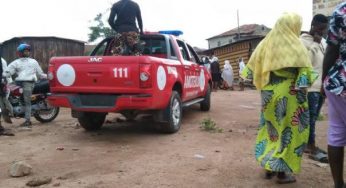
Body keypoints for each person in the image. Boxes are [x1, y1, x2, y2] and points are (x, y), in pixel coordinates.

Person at [241, 13, 318, 184]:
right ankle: (282, 173)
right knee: (289, 131)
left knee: (271, 129)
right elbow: (304, 75)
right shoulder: (295, 45)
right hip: (289, 94)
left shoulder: (264, 44)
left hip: (268, 93)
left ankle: (269, 167)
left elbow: (251, 71)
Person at [321, 2, 346, 188]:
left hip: (337, 82)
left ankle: (338, 184)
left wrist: (324, 80)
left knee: (336, 133)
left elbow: (332, 49)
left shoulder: (341, 10)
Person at [300, 14, 329, 163]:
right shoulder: (303, 41)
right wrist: (314, 45)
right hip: (310, 88)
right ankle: (310, 146)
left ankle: (309, 144)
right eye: (320, 28)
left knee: (314, 117)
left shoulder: (322, 42)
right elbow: (305, 63)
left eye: (324, 29)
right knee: (310, 118)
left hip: (321, 87)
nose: (323, 32)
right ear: (313, 25)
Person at [4, 43, 47, 127]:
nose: (27, 52)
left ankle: (28, 121)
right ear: (20, 52)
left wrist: (48, 76)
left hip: (29, 82)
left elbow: (40, 73)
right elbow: (8, 71)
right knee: (8, 90)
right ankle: (14, 107)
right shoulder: (16, 62)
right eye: (25, 51)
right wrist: (4, 75)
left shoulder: (33, 61)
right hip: (18, 82)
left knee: (27, 101)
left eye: (28, 51)